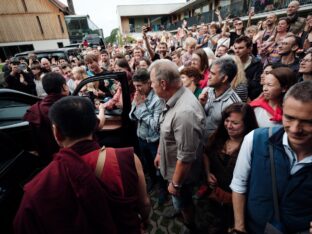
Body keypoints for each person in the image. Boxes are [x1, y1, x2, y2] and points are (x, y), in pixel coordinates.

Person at [15, 96, 151, 234]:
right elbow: (144, 204)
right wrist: (144, 220)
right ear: (96, 124)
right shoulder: (126, 158)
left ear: (56, 132)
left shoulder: (38, 188)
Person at [230, 81, 312, 234]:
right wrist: (239, 228)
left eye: (308, 122)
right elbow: (239, 184)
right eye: (289, 118)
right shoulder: (255, 140)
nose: (295, 129)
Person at [150, 59, 205, 232]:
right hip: (171, 166)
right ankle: (178, 207)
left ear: (163, 83)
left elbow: (186, 157)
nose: (151, 86)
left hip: (181, 176)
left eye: (152, 82)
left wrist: (175, 185)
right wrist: (160, 152)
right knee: (179, 200)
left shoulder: (185, 113)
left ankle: (189, 224)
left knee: (183, 200)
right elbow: (166, 130)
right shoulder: (172, 97)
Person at [203, 103, 258, 233]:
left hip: (237, 203)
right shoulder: (218, 137)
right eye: (227, 121)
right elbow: (204, 153)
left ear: (247, 124)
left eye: (235, 123)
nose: (228, 125)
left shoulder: (253, 147)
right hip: (215, 195)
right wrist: (207, 172)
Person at [129, 69, 167, 203]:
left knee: (160, 167)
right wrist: (137, 107)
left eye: (139, 85)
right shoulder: (138, 95)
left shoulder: (158, 100)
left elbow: (156, 125)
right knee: (148, 164)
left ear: (149, 83)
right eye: (135, 86)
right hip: (141, 137)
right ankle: (152, 181)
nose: (137, 89)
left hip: (154, 141)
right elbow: (131, 116)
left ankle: (163, 189)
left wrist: (141, 106)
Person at [23, 72, 70, 164]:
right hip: (70, 155)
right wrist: (101, 110)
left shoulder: (36, 108)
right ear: (64, 86)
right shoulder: (70, 106)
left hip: (47, 159)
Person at [199, 57, 241, 139]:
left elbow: (231, 133)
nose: (208, 76)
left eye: (213, 74)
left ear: (224, 78)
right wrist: (201, 105)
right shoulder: (206, 90)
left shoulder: (233, 103)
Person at [234, 36, 263, 100]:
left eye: (240, 48)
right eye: (235, 48)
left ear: (249, 49)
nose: (237, 51)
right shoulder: (231, 62)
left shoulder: (257, 64)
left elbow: (256, 86)